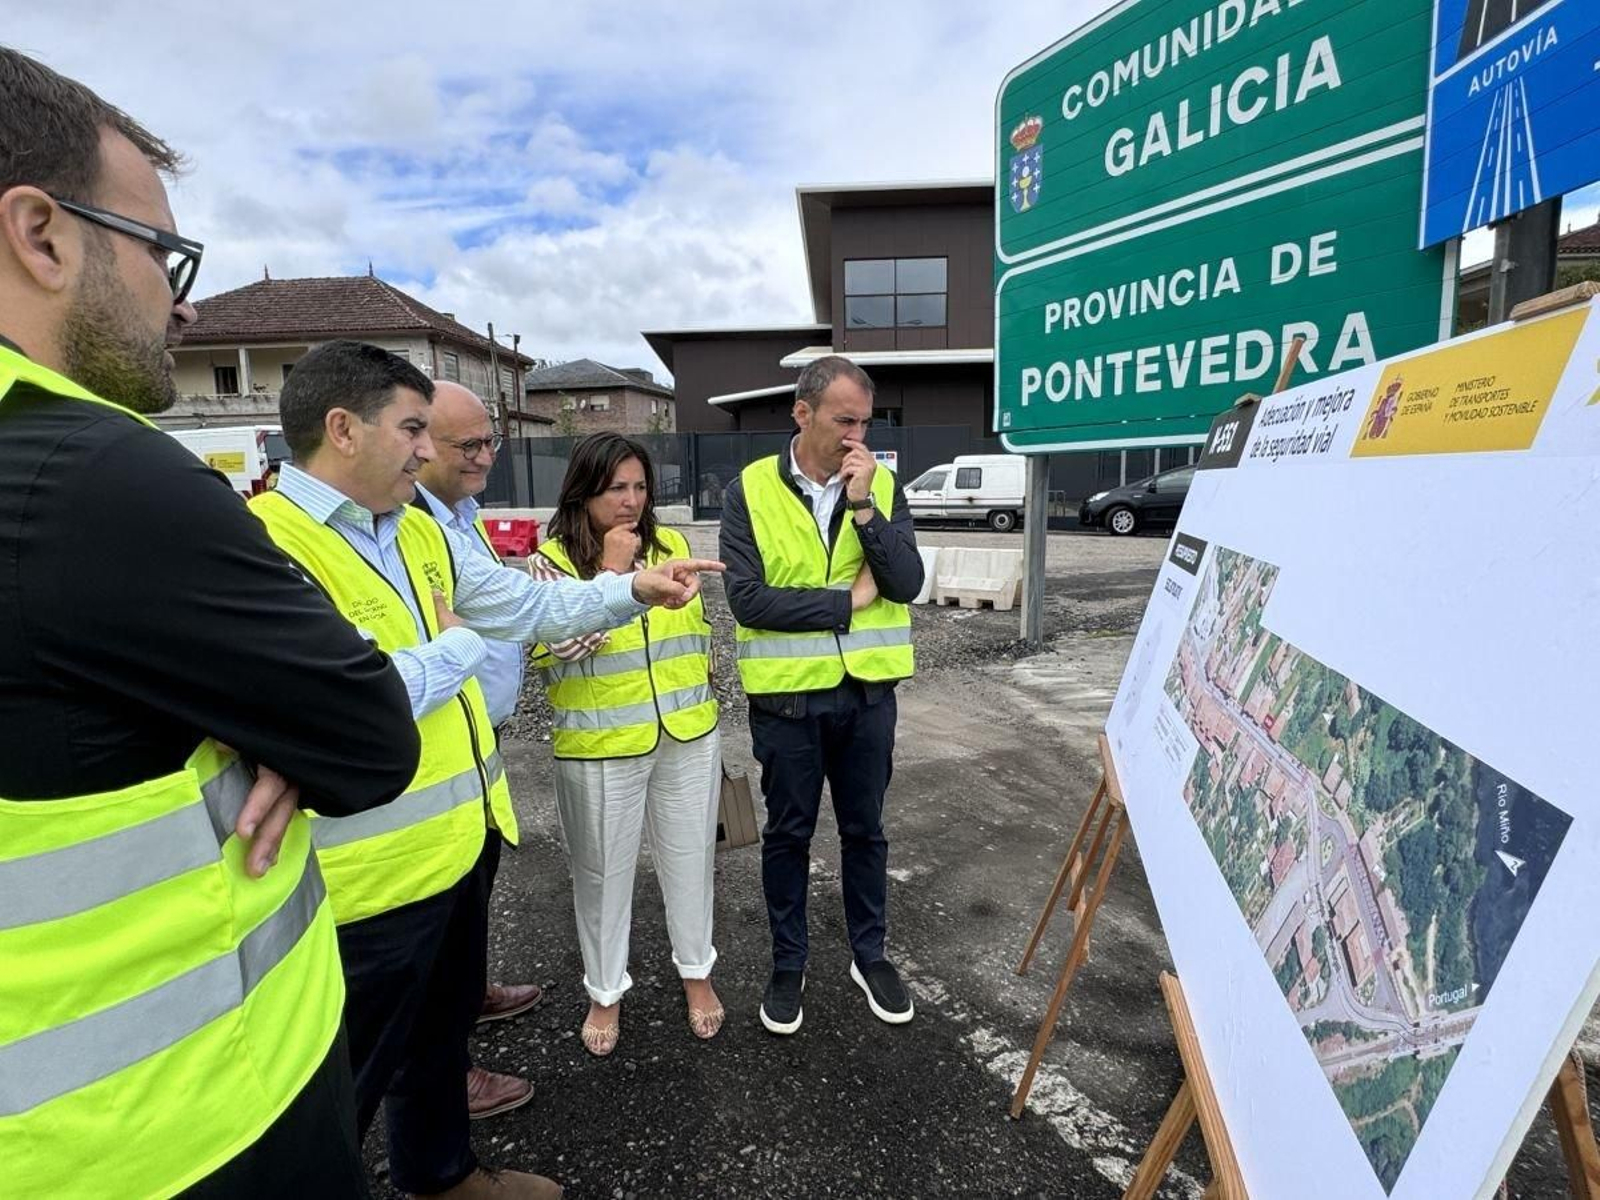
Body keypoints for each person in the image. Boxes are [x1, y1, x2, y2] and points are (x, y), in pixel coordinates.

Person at [0, 48, 419, 1198]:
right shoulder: (91, 476)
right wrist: (261, 733)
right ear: (41, 234)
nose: (179, 302)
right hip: (181, 1125)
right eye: (162, 253)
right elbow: (370, 736)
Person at [253, 339, 720, 1200]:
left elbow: (526, 604)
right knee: (342, 1084)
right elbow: (339, 698)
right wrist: (461, 648)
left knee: (437, 1043)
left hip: (458, 841)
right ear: (342, 429)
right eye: (413, 430)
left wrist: (632, 593)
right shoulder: (269, 541)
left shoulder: (416, 528)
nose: (428, 452)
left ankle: (443, 1176)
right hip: (362, 879)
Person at [719, 355, 923, 1035]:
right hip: (787, 703)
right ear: (802, 413)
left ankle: (870, 955)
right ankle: (789, 962)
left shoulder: (881, 484)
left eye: (865, 421)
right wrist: (844, 601)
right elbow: (748, 601)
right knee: (789, 834)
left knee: (866, 831)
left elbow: (904, 582)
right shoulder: (747, 490)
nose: (857, 435)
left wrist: (864, 505)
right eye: (844, 420)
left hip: (867, 697)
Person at [530, 432, 723, 1057]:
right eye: (617, 488)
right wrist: (613, 575)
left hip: (687, 734)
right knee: (601, 877)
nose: (631, 501)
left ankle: (697, 975)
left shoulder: (673, 547)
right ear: (584, 492)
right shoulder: (549, 562)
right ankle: (605, 990)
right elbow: (555, 650)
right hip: (601, 747)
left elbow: (693, 639)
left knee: (691, 862)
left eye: (640, 487)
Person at [414, 380, 543, 1121]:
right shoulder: (409, 526)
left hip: (481, 734)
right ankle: (444, 1068)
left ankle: (470, 996)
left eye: (489, 440)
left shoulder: (459, 517)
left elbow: (512, 604)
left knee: (477, 884)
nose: (486, 456)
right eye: (471, 445)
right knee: (442, 905)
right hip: (440, 741)